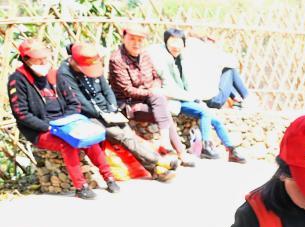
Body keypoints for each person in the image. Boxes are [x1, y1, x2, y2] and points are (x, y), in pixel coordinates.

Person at [8, 39, 119, 200]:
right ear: (26, 60)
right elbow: (22, 114)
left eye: (45, 58)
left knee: (89, 138)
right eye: (38, 60)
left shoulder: (54, 74)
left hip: (67, 123)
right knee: (67, 142)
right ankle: (81, 186)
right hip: (41, 130)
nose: (43, 62)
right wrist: (49, 127)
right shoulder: (18, 79)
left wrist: (69, 122)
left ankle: (109, 177)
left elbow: (73, 102)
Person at [58, 43, 177, 182]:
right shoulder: (64, 73)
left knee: (127, 133)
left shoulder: (93, 65)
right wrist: (102, 115)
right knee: (120, 135)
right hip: (86, 115)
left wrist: (112, 108)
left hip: (107, 111)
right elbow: (79, 101)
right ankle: (158, 161)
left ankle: (155, 169)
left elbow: (107, 90)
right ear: (74, 61)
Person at [150, 29, 245, 163]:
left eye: (179, 42)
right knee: (205, 112)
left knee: (215, 120)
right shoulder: (162, 61)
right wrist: (191, 98)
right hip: (173, 100)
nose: (176, 46)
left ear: (184, 44)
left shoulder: (183, 60)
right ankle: (207, 147)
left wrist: (196, 98)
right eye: (172, 42)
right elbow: (168, 88)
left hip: (186, 98)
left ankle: (231, 150)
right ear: (166, 42)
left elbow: (190, 85)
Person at [107, 23, 194, 167]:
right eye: (132, 39)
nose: (136, 43)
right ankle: (178, 152)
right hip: (129, 103)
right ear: (124, 38)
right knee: (163, 109)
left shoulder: (145, 54)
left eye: (140, 40)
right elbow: (127, 90)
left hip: (151, 99)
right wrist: (152, 93)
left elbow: (156, 77)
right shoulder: (117, 59)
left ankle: (169, 147)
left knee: (160, 103)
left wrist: (155, 89)